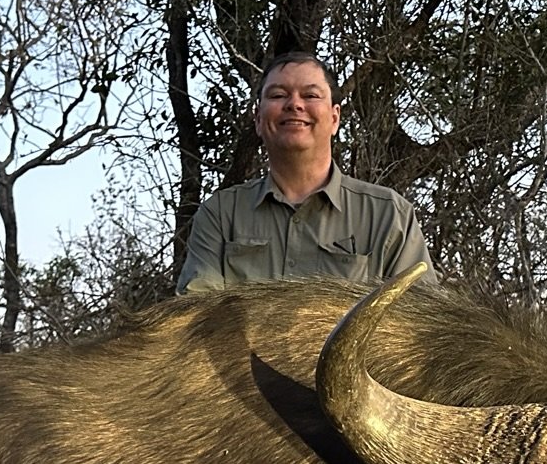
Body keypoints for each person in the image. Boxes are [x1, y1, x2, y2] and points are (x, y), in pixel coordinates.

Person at [176, 51, 431, 294]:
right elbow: (198, 323)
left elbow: (418, 326)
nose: (294, 104)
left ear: (334, 118)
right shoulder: (220, 215)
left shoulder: (390, 216)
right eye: (278, 95)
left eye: (310, 95)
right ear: (257, 119)